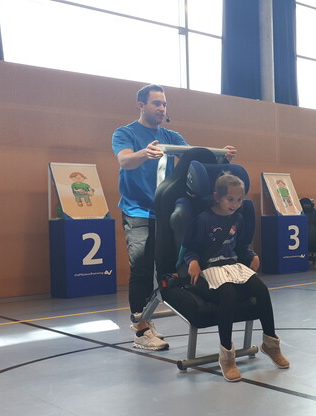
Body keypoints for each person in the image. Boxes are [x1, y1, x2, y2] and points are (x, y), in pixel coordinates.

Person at [112, 84, 237, 351]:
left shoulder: (171, 136)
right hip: (137, 211)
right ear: (141, 105)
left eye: (164, 104)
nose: (162, 108)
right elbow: (124, 161)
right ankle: (141, 329)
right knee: (142, 266)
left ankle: (154, 315)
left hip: (164, 211)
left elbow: (195, 158)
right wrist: (144, 153)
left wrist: (220, 155)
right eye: (156, 103)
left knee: (167, 265)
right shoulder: (125, 133)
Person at [181, 173, 289, 382]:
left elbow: (240, 247)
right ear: (216, 197)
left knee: (261, 290)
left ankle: (270, 343)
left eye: (239, 200)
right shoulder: (203, 219)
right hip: (211, 268)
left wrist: (252, 255)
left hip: (232, 265)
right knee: (228, 293)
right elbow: (191, 248)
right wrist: (192, 261)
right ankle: (227, 356)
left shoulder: (238, 219)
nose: (235, 204)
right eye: (230, 199)